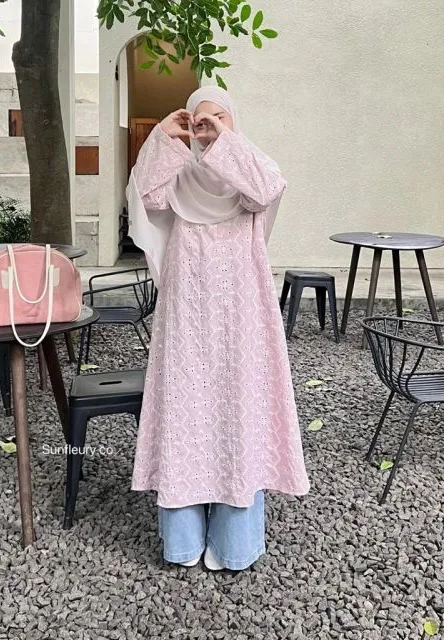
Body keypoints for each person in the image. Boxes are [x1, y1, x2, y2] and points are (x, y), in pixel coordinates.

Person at [126, 86, 309, 571]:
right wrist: (165, 138)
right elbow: (145, 196)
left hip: (241, 314)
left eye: (219, 117)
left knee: (237, 408)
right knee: (185, 410)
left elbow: (267, 188)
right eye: (199, 118)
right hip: (186, 312)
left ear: (234, 122)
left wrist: (224, 139)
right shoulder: (179, 176)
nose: (207, 126)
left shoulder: (248, 173)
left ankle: (234, 543)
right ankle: (183, 539)